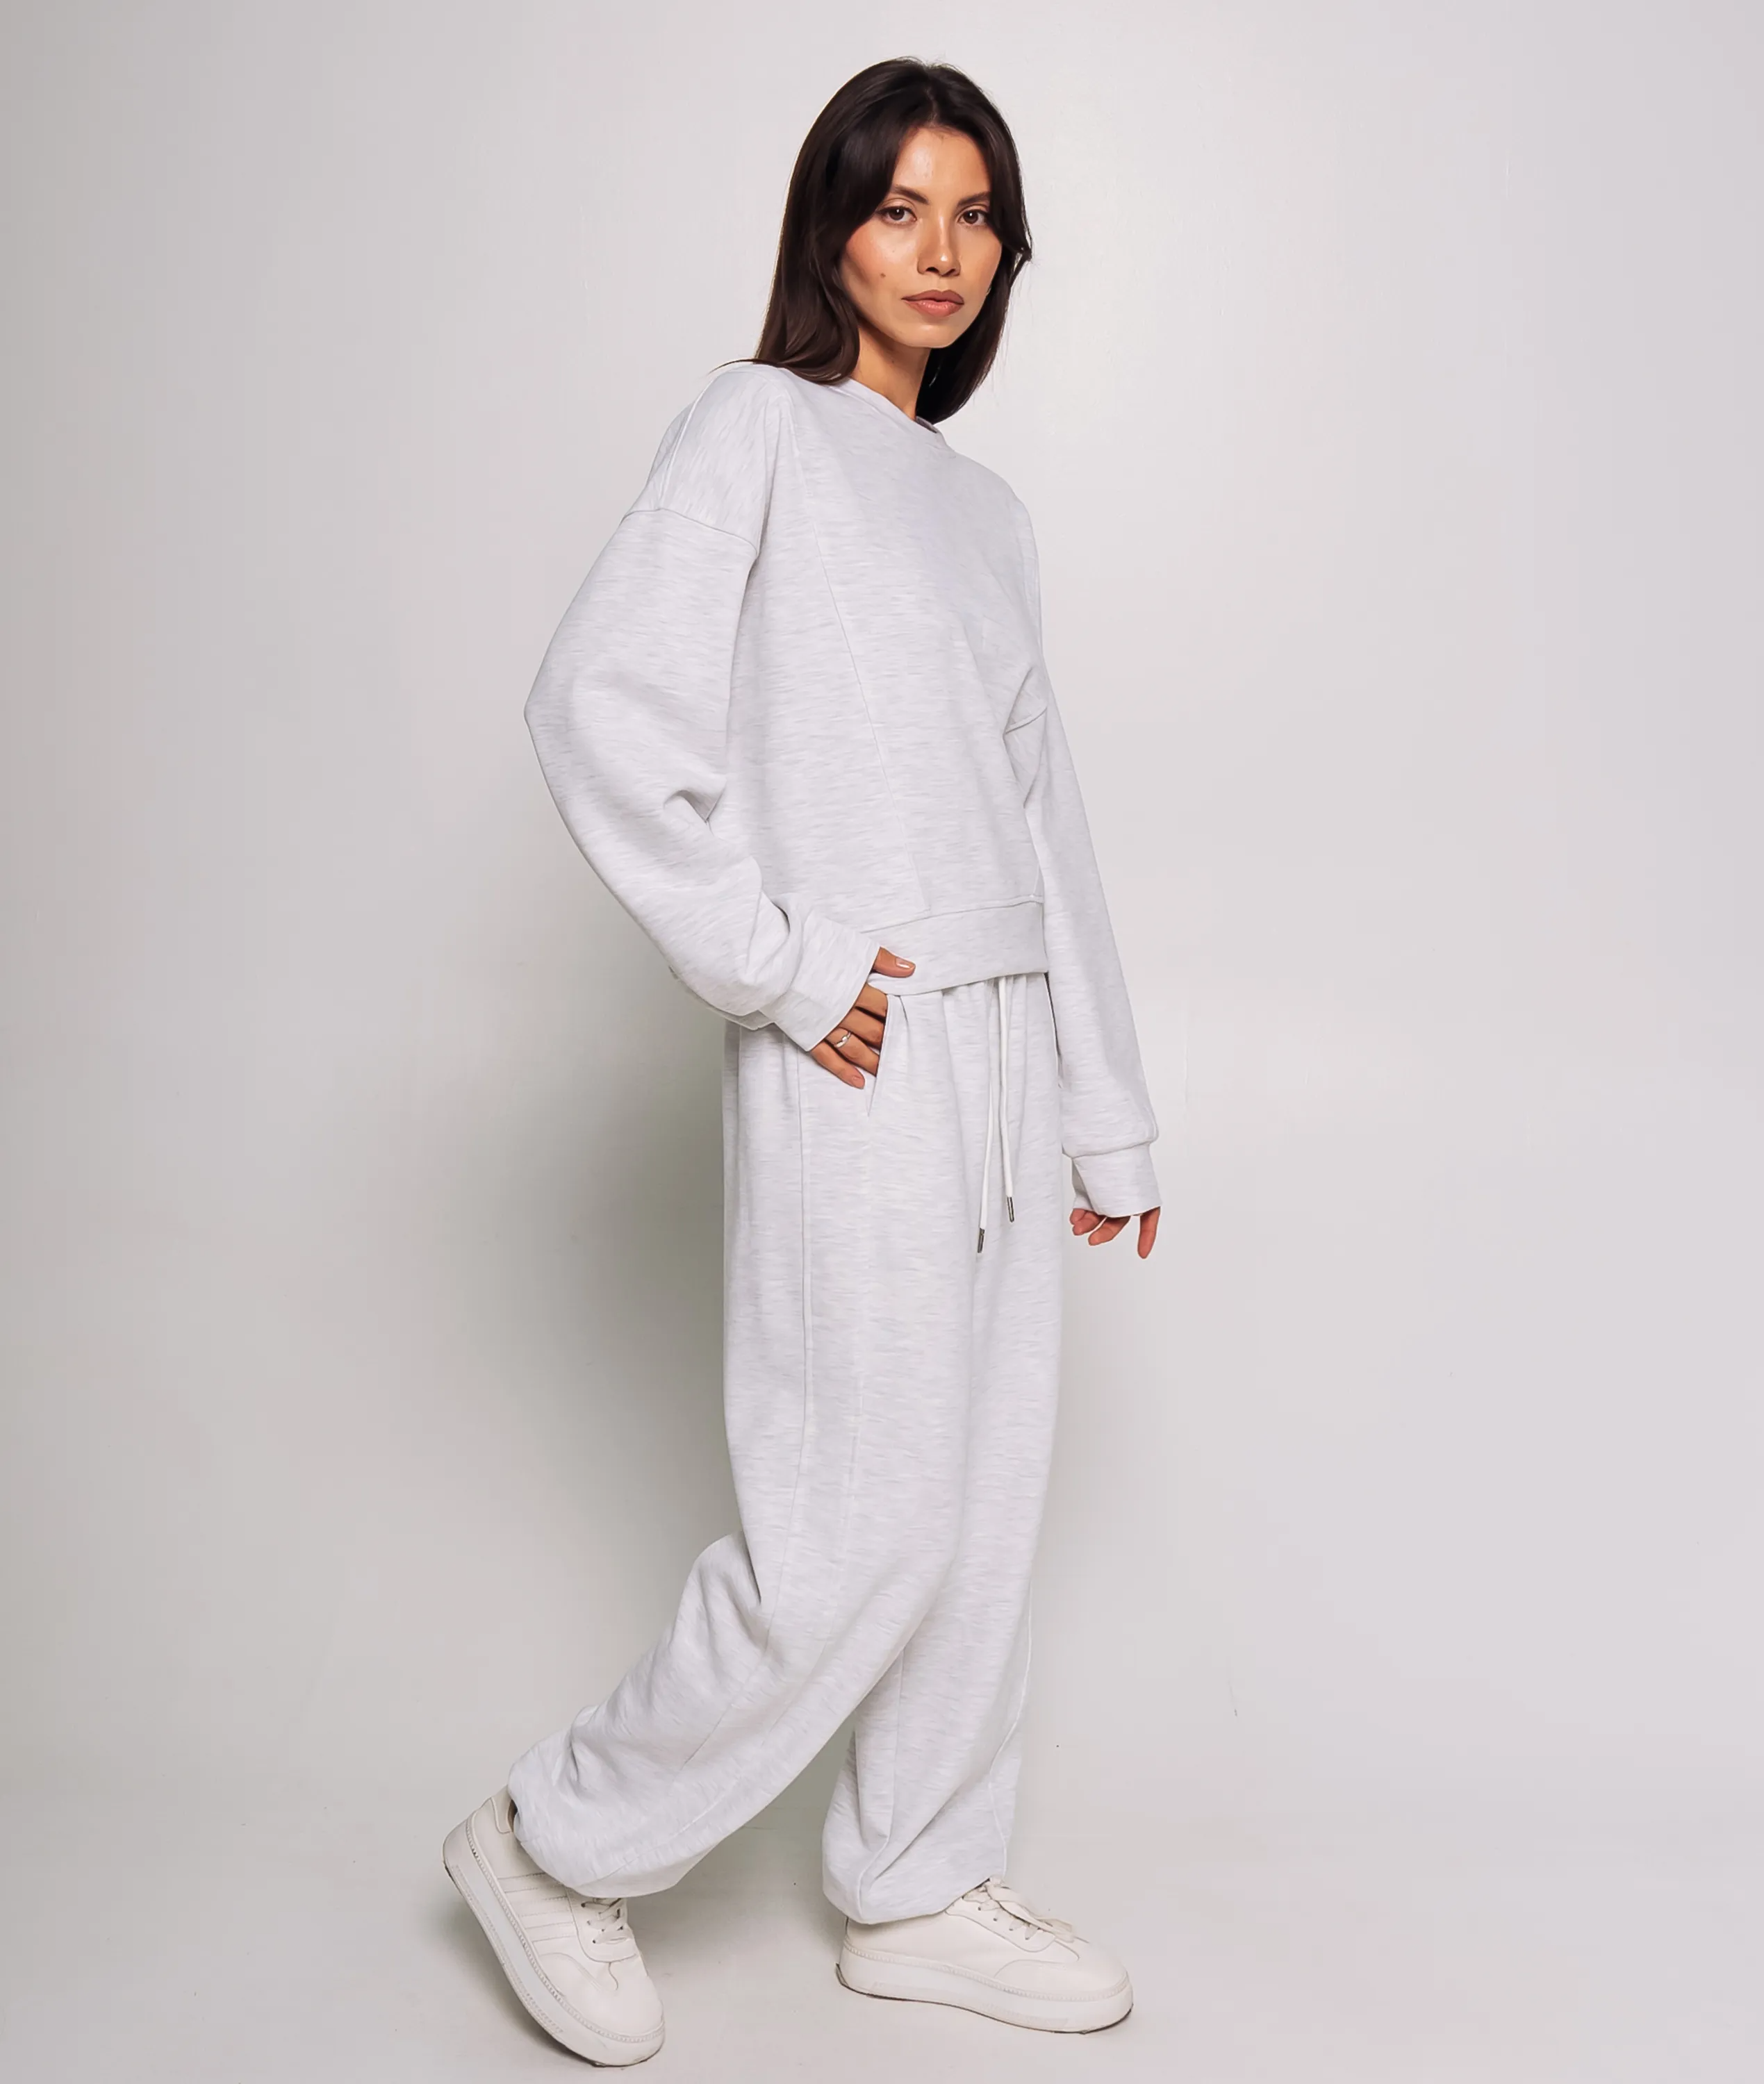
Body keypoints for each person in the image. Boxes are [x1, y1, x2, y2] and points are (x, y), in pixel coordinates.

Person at [443, 56, 1161, 2066]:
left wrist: (1104, 1109)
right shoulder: (755, 429)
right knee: (862, 1521)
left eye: (974, 214)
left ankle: (918, 1882)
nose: (940, 251)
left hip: (1006, 1045)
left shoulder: (986, 514)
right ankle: (555, 1841)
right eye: (898, 207)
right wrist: (775, 964)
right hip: (861, 1043)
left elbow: (1044, 820)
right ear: (830, 229)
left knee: (984, 1514)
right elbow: (599, 700)